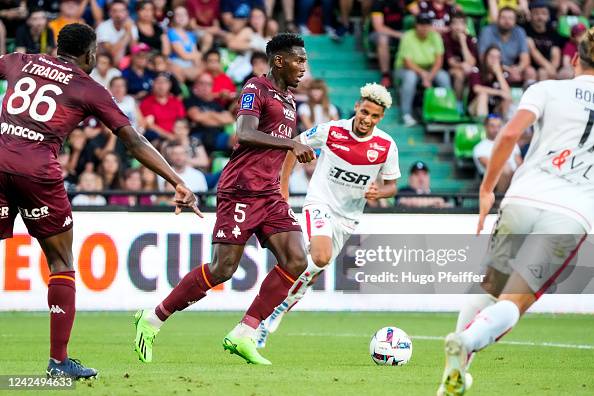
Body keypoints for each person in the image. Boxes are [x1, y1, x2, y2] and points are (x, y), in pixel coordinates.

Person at [0, 23, 200, 379]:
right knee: (61, 262)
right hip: (37, 171)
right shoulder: (88, 87)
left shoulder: (20, 60)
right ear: (90, 54)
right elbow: (133, 141)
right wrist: (177, 181)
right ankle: (58, 363)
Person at [133, 33, 315, 366]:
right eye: (299, 60)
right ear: (279, 60)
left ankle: (245, 333)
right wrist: (291, 145)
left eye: (305, 60)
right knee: (223, 269)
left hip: (269, 193)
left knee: (297, 260)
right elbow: (244, 133)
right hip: (241, 188)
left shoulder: (289, 100)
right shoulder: (255, 89)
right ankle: (154, 317)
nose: (304, 67)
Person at [436, 25, 594, 396]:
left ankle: (453, 371)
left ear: (574, 58)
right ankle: (467, 342)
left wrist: (487, 188)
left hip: (523, 198)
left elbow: (507, 136)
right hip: (571, 214)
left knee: (490, 285)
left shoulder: (546, 88)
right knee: (515, 301)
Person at [256, 83, 400, 347]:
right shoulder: (332, 130)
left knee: (315, 267)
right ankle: (266, 312)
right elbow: (296, 144)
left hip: (348, 217)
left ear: (381, 118)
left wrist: (380, 192)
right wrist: (283, 188)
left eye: (374, 116)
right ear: (357, 107)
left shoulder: (386, 146)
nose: (367, 119)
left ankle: (279, 307)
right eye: (364, 112)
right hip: (320, 202)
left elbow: (392, 185)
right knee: (320, 256)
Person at [395, 13, 451, 127]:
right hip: (405, 69)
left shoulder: (435, 36)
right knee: (410, 77)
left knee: (443, 77)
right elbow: (407, 62)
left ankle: (448, 109)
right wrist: (424, 74)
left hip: (429, 69)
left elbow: (439, 61)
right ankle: (406, 114)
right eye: (421, 24)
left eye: (427, 24)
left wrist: (429, 76)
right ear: (416, 25)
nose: (424, 27)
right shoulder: (408, 36)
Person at [478, 7, 533, 85]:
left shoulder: (520, 31)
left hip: (512, 69)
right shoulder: (487, 31)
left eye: (510, 18)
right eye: (503, 18)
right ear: (497, 19)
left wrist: (518, 69)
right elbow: (483, 58)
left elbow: (525, 58)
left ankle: (529, 96)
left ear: (515, 21)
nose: (507, 21)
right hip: (491, 68)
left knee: (530, 71)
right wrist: (506, 69)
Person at [184, 72, 235, 152]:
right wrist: (219, 119)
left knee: (238, 138)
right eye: (202, 83)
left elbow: (229, 119)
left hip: (217, 135)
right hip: (198, 135)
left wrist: (209, 115)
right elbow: (197, 117)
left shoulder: (216, 104)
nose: (205, 87)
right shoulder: (190, 100)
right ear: (195, 85)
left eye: (208, 84)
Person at [473, 113, 522, 192]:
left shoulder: (512, 143)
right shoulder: (479, 148)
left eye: (499, 126)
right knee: (505, 168)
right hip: (492, 182)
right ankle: (499, 200)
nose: (496, 129)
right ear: (485, 127)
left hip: (515, 178)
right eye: (492, 126)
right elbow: (492, 167)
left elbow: (520, 164)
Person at [369, 0, 407, 88]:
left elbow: (418, 12)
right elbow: (378, 27)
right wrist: (398, 35)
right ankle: (385, 75)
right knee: (383, 39)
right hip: (380, 33)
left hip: (400, 32)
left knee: (411, 37)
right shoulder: (378, 3)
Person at [442, 12, 477, 107]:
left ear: (465, 26)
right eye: (455, 23)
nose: (458, 27)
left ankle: (470, 105)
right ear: (451, 25)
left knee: (474, 74)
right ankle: (458, 104)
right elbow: (450, 62)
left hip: (466, 68)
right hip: (446, 69)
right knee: (459, 75)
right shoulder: (445, 38)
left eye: (461, 23)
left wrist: (463, 43)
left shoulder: (469, 39)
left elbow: (471, 62)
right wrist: (463, 65)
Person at [467, 45, 511, 118]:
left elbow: (507, 93)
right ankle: (482, 124)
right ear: (485, 57)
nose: (494, 60)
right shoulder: (477, 70)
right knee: (483, 95)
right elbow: (477, 88)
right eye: (491, 57)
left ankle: (502, 123)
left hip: (494, 108)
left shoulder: (502, 74)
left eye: (497, 57)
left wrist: (498, 73)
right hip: (475, 108)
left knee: (507, 98)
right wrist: (499, 92)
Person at [140, 73, 186, 142]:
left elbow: (182, 121)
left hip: (177, 135)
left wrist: (179, 135)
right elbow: (150, 125)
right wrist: (168, 136)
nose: (161, 86)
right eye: (158, 82)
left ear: (170, 85)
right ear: (153, 84)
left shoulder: (176, 102)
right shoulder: (146, 103)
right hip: (159, 138)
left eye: (164, 82)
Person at [524, 1, 562, 81]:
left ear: (548, 16)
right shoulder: (525, 30)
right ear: (530, 15)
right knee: (538, 72)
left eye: (544, 13)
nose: (540, 17)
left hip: (549, 68)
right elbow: (533, 51)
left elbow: (556, 54)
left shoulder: (553, 32)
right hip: (531, 67)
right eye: (536, 13)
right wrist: (549, 67)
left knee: (544, 72)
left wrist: (552, 68)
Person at [96, 0, 138, 66]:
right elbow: (111, 53)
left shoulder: (131, 25)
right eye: (115, 11)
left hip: (123, 62)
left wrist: (130, 31)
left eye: (122, 11)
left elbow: (134, 50)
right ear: (110, 13)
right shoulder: (103, 27)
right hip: (103, 62)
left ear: (127, 13)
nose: (118, 14)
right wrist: (127, 32)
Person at [167, 5, 203, 83]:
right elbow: (184, 55)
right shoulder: (171, 32)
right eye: (178, 15)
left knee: (203, 72)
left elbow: (195, 54)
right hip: (177, 63)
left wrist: (197, 64)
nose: (181, 17)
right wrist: (197, 55)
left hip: (190, 64)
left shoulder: (190, 35)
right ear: (173, 17)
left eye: (184, 14)